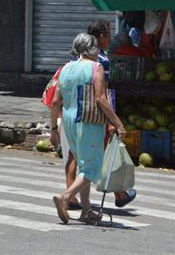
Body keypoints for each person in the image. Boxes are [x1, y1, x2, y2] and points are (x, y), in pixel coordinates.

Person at [50, 33, 127, 224]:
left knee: (83, 166)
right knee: (92, 169)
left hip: (68, 121)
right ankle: (65, 197)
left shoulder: (66, 68)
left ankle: (86, 211)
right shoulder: (96, 68)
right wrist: (118, 123)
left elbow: (55, 101)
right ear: (92, 50)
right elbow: (101, 99)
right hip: (88, 122)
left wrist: (53, 129)